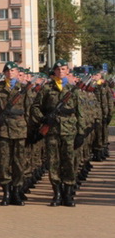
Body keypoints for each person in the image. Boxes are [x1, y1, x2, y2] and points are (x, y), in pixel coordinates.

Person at [30, 60, 84, 207]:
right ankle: (57, 193)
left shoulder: (73, 89)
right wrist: (43, 118)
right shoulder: (47, 88)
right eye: (58, 69)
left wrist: (81, 132)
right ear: (54, 71)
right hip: (52, 131)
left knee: (69, 162)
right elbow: (35, 107)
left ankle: (68, 193)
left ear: (67, 71)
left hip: (69, 131)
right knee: (53, 162)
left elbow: (80, 112)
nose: (61, 71)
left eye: (63, 69)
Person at [0, 62, 29, 206]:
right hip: (2, 129)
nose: (10, 73)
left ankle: (16, 191)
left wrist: (30, 127)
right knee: (3, 162)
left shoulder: (24, 88)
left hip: (19, 129)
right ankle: (6, 192)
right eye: (7, 70)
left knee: (19, 162)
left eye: (12, 70)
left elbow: (30, 109)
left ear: (17, 72)